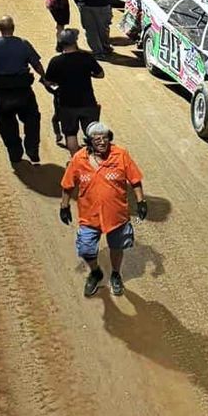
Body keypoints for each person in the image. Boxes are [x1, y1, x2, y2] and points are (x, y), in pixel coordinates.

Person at [59, 121, 146, 297]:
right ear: (89, 141)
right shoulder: (79, 159)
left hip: (117, 216)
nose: (101, 142)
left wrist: (141, 201)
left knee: (117, 246)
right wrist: (64, 205)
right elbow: (68, 185)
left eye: (105, 138)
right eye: (97, 139)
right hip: (89, 216)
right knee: (85, 249)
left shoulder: (120, 155)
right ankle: (95, 271)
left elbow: (135, 180)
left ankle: (115, 274)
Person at [0, 15, 47, 166]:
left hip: (2, 92)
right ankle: (32, 147)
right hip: (23, 90)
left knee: (5, 123)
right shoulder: (23, 44)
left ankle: (15, 152)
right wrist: (44, 77)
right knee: (32, 119)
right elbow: (36, 64)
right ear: (13, 27)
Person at [44, 28, 105, 153]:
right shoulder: (86, 58)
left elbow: (49, 81)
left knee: (70, 134)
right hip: (88, 102)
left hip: (67, 104)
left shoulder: (56, 62)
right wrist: (90, 74)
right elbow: (101, 74)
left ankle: (75, 159)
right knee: (93, 132)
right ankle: (95, 159)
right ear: (75, 40)